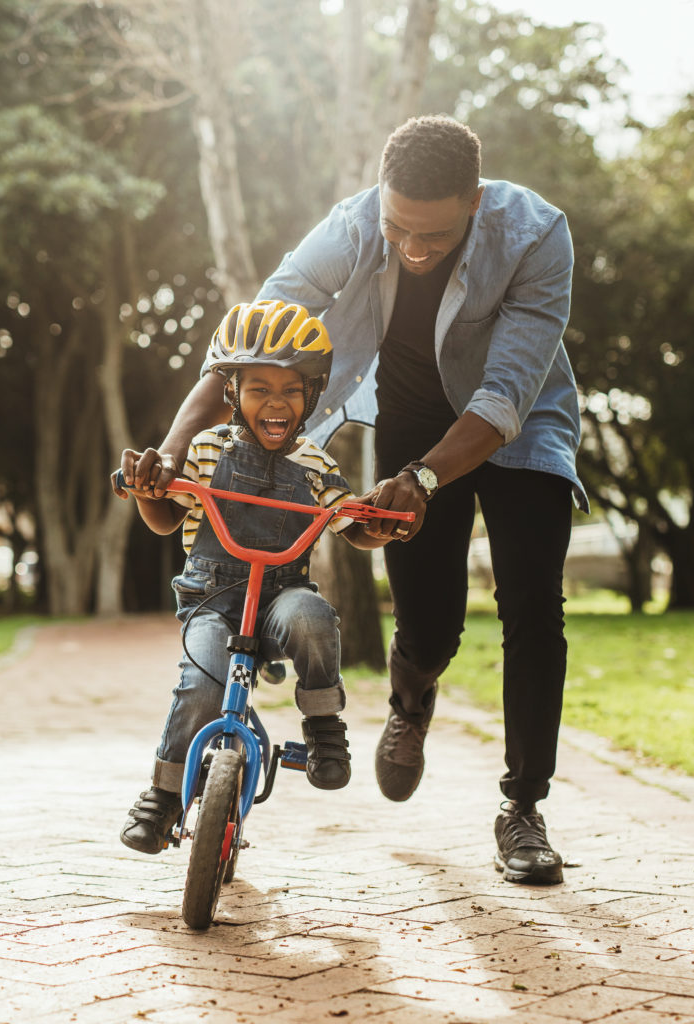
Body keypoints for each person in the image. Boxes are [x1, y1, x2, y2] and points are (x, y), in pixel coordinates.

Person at [130, 115, 586, 885]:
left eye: (433, 238)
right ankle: (412, 699)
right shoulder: (352, 224)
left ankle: (523, 808)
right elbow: (251, 340)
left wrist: (427, 481)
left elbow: (506, 393)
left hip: (519, 422)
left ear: (474, 202)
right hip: (412, 415)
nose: (412, 249)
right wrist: (173, 448)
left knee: (533, 604)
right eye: (399, 229)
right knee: (431, 624)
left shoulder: (537, 235)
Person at [115, 299, 391, 855]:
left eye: (292, 390)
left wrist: (380, 523)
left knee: (313, 619)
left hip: (281, 597)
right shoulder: (203, 449)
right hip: (212, 600)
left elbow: (352, 525)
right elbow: (167, 518)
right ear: (232, 393)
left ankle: (323, 727)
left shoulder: (315, 464)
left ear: (311, 396)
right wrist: (148, 491)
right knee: (202, 682)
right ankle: (164, 796)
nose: (276, 402)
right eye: (259, 388)